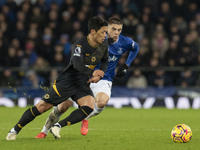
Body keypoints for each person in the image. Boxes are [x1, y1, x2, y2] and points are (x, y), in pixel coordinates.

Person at [6, 16, 109, 140]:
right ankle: (14, 130)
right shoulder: (80, 44)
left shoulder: (104, 44)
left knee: (89, 106)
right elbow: (77, 64)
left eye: (106, 32)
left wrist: (100, 73)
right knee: (42, 107)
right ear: (93, 31)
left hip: (82, 83)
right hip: (67, 82)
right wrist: (93, 72)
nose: (105, 35)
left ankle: (58, 126)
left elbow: (104, 60)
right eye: (103, 32)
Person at [35, 16, 139, 138]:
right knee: (63, 107)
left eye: (119, 30)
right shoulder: (96, 40)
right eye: (113, 29)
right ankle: (44, 131)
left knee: (102, 102)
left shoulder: (124, 42)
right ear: (106, 28)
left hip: (104, 79)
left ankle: (85, 117)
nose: (116, 33)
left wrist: (126, 65)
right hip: (83, 77)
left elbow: (135, 47)